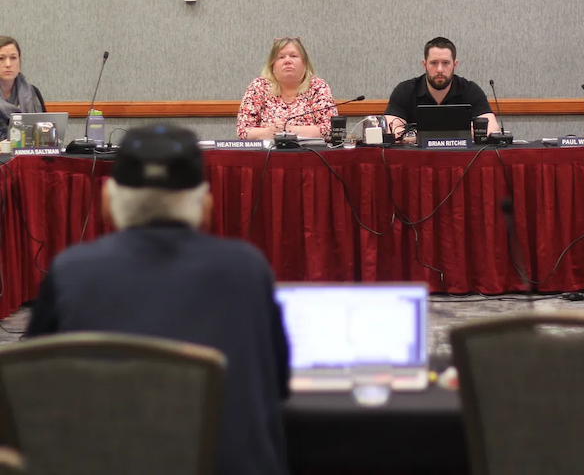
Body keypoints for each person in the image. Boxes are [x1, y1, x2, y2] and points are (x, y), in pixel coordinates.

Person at [25, 124, 290, 475]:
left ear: (106, 202)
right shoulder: (248, 270)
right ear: (206, 204)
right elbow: (277, 384)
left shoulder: (70, 272)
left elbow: (28, 393)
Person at [384, 37, 499, 138]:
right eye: (434, 63)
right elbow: (390, 129)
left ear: (455, 65)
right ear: (425, 65)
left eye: (445, 63)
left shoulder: (470, 90)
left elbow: (492, 128)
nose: (439, 69)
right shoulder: (405, 91)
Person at [237, 37, 336, 140]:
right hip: (267, 154)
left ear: (305, 63)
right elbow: (243, 130)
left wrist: (292, 130)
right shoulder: (259, 86)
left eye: (293, 56)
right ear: (272, 66)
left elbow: (331, 129)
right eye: (281, 57)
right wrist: (268, 132)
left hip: (309, 154)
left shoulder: (317, 86)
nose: (287, 61)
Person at [0, 36, 46, 139]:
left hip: (29, 153)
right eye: (1, 58)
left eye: (13, 58)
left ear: (20, 62)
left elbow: (45, 132)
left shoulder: (33, 92)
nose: (8, 64)